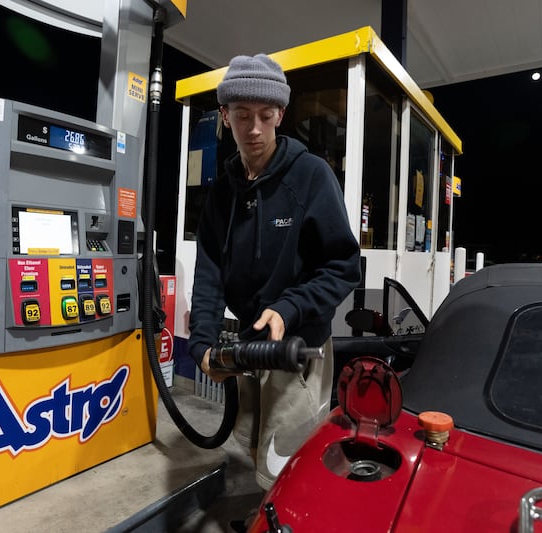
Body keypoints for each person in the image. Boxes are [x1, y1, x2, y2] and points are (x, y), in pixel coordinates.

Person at [187, 52, 361, 523]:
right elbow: (208, 272)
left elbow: (344, 264)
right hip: (248, 344)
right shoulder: (222, 191)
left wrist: (289, 307)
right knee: (253, 447)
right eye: (242, 115)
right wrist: (202, 342)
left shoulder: (310, 176)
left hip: (297, 347)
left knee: (290, 459)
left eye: (266, 116)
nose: (255, 129)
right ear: (225, 117)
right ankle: (270, 517)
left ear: (281, 115)